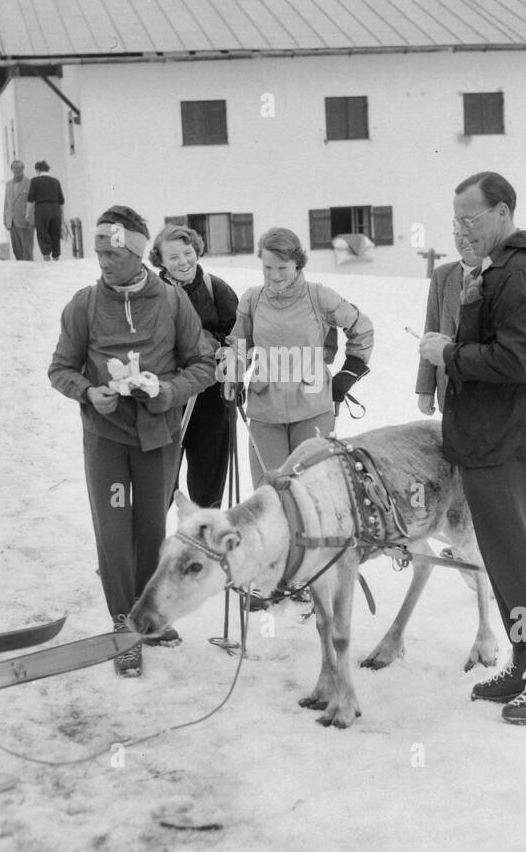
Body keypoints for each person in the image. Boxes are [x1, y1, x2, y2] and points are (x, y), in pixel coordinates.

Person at [418, 172, 526, 724]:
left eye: (470, 218)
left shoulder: (515, 273)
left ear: (503, 212)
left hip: (503, 438)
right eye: (455, 220)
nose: (461, 230)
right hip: (489, 436)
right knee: (508, 558)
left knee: (518, 560)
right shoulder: (501, 267)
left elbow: (516, 361)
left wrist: (449, 355)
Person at [49, 206, 216, 675]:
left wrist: (169, 391)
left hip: (158, 436)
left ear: (137, 253)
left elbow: (202, 364)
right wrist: (88, 392)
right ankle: (125, 627)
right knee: (114, 533)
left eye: (113, 253)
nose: (103, 260)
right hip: (105, 437)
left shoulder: (171, 301)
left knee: (149, 531)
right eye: (99, 251)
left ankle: (150, 617)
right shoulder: (83, 304)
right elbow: (60, 368)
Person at [224, 227, 374, 488]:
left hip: (312, 406)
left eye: (282, 268)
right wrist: (234, 375)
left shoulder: (319, 296)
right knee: (270, 492)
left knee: (312, 489)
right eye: (267, 268)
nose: (274, 276)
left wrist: (349, 373)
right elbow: (239, 344)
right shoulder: (253, 299)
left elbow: (362, 327)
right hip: (265, 409)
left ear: (297, 263)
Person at [150, 223, 239, 508]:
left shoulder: (217, 289)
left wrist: (215, 347)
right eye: (173, 257)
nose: (183, 262)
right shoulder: (150, 293)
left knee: (208, 479)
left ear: (196, 251)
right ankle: (156, 545)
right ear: (160, 261)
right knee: (161, 480)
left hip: (210, 396)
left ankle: (204, 541)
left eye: (187, 253)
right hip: (167, 395)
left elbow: (241, 339)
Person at [414, 225, 478, 416]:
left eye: (470, 235)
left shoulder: (499, 275)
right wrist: (425, 388)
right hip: (450, 388)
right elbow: (431, 330)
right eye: (457, 234)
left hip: (489, 389)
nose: (464, 241)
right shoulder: (442, 275)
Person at [25, 160, 65, 261]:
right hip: (55, 208)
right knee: (55, 232)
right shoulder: (56, 181)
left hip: (41, 208)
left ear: (38, 170)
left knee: (42, 232)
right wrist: (61, 215)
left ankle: (46, 255)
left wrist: (27, 213)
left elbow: (30, 199)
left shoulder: (35, 181)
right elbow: (61, 201)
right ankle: (56, 256)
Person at [3, 159, 34, 262]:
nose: (18, 170)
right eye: (16, 168)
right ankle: (21, 272)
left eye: (20, 168)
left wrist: (31, 219)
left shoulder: (29, 183)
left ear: (23, 169)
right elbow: (6, 204)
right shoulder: (8, 184)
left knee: (27, 251)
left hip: (25, 221)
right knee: (17, 251)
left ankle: (30, 271)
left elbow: (33, 202)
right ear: (12, 169)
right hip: (11, 222)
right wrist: (5, 219)